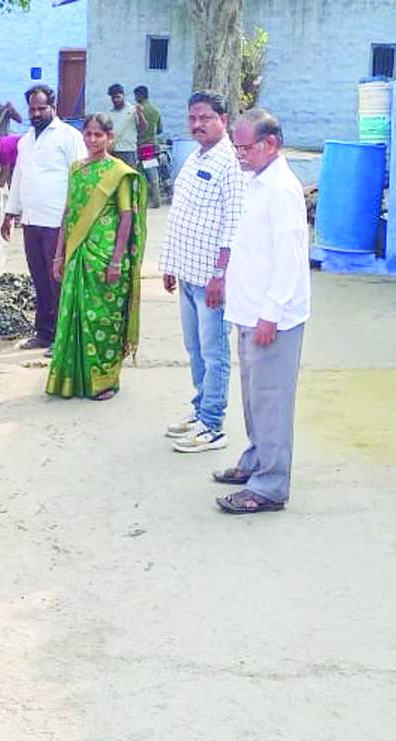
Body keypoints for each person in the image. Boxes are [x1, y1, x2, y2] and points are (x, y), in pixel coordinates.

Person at [211, 110, 312, 514]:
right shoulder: (257, 182)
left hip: (273, 317)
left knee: (271, 399)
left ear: (270, 143)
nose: (239, 154)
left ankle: (270, 485)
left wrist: (271, 313)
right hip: (249, 311)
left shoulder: (282, 189)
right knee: (254, 397)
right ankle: (257, 460)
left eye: (245, 147)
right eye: (236, 147)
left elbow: (290, 259)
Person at [161, 91, 245, 454]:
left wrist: (220, 276)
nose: (197, 125)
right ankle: (200, 411)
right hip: (188, 274)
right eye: (193, 118)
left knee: (215, 354)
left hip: (212, 279)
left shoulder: (231, 164)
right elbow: (180, 216)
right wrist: (169, 265)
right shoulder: (195, 157)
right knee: (195, 350)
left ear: (222, 120)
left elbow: (233, 225)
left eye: (205, 118)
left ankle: (213, 425)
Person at [46, 115, 149, 401]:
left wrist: (116, 260)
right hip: (77, 255)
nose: (92, 140)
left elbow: (127, 218)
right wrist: (59, 255)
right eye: (88, 134)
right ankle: (71, 380)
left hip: (104, 258)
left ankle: (104, 381)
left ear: (110, 138)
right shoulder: (77, 169)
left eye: (98, 135)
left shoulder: (119, 173)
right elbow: (68, 213)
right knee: (72, 316)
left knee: (102, 320)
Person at [3, 84, 86, 352]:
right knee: (39, 279)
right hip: (31, 221)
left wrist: (77, 218)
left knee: (57, 280)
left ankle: (62, 338)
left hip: (57, 223)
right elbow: (18, 176)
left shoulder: (69, 136)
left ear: (54, 107)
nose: (36, 113)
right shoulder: (26, 140)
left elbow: (81, 177)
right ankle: (44, 333)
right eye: (32, 109)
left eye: (42, 108)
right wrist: (10, 212)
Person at [135, 85, 165, 209]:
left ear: (139, 96)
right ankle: (156, 199)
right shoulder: (155, 110)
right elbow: (160, 130)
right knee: (153, 174)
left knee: (138, 173)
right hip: (152, 146)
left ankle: (142, 199)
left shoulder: (135, 111)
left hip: (139, 146)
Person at [105, 83, 146, 172]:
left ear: (123, 96)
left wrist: (141, 114)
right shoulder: (109, 113)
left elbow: (143, 128)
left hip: (128, 151)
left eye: (118, 97)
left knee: (129, 179)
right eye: (113, 98)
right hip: (113, 151)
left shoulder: (133, 110)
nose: (116, 100)